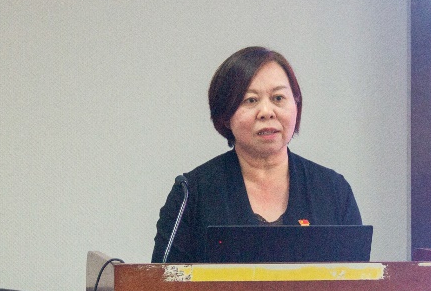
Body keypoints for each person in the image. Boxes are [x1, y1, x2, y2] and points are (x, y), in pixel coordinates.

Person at [151, 46, 362, 263]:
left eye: (278, 98)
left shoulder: (333, 191)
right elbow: (159, 281)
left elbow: (357, 280)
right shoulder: (191, 194)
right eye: (251, 100)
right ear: (225, 115)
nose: (267, 112)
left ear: (296, 105)